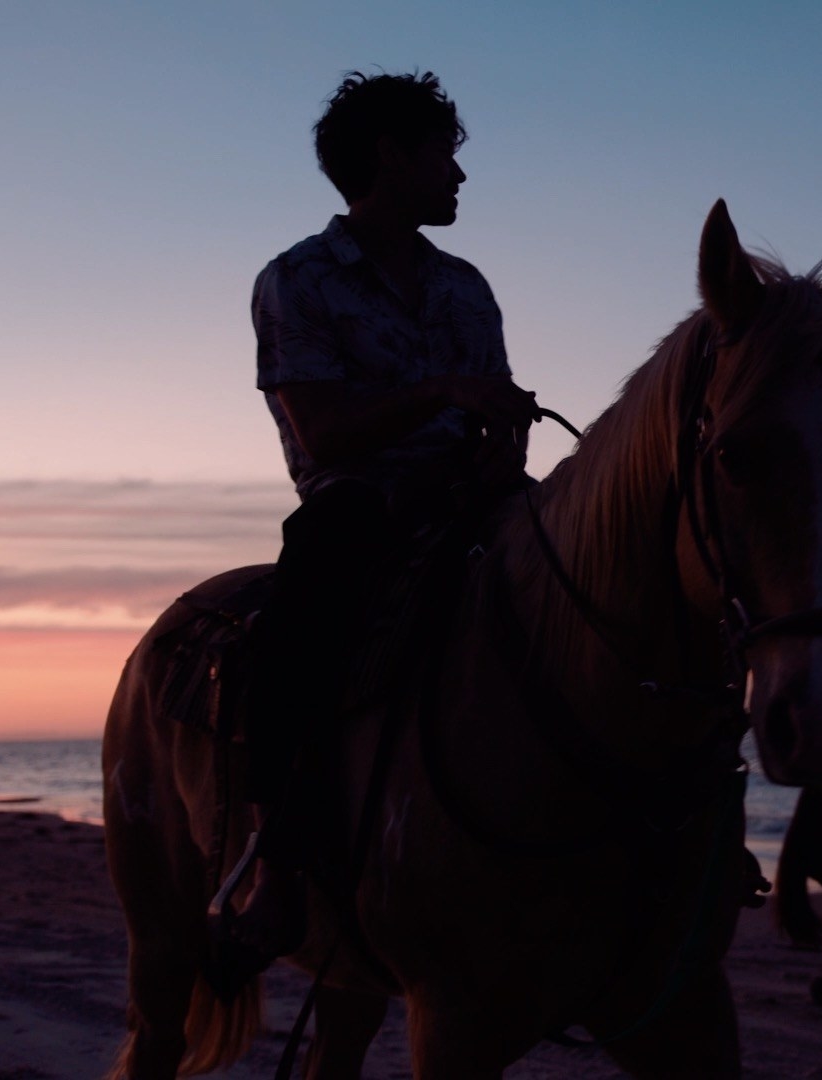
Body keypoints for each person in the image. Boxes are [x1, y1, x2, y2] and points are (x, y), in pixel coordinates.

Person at [224, 71, 539, 973]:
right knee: (302, 608)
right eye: (446, 155)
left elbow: (497, 414)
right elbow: (321, 430)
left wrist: (498, 456)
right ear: (391, 156)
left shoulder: (466, 287)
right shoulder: (298, 280)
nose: (459, 177)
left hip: (469, 494)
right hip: (358, 500)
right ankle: (276, 864)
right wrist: (442, 391)